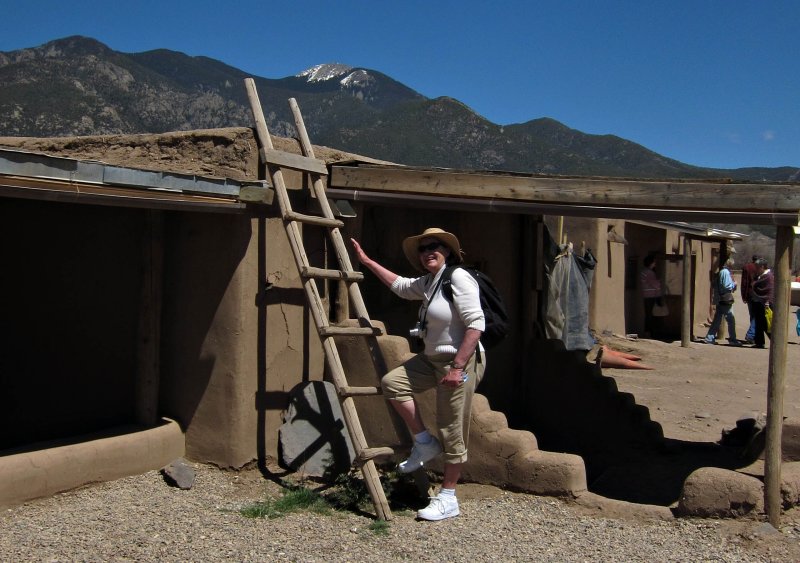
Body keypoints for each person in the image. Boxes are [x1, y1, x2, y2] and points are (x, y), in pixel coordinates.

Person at [350, 227, 485, 521]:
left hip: (458, 361)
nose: (427, 253)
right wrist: (367, 262)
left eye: (434, 246)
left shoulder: (458, 277)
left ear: (447, 250)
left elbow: (476, 324)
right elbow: (400, 286)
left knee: (451, 427)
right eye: (423, 249)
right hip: (431, 359)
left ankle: (448, 498)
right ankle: (424, 442)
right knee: (393, 383)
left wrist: (458, 367)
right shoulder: (429, 282)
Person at [704, 258, 741, 345]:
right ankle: (732, 339)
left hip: (720, 299)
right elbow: (726, 286)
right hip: (725, 298)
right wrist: (734, 284)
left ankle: (709, 337)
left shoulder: (722, 272)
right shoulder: (725, 272)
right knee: (731, 319)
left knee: (717, 319)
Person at [750, 258, 774, 349]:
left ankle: (775, 341)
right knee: (758, 323)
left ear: (762, 267)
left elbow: (770, 291)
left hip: (766, 303)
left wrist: (768, 301)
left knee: (767, 323)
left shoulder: (769, 276)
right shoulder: (759, 276)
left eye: (757, 267)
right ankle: (759, 342)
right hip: (757, 302)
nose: (755, 269)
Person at [640, 254, 663, 338]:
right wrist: (660, 282)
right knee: (651, 315)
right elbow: (655, 285)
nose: (655, 264)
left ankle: (648, 331)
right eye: (654, 262)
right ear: (651, 263)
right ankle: (649, 332)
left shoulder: (643, 271)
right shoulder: (649, 273)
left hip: (646, 295)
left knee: (648, 314)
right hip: (651, 296)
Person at [740, 255, 760, 344]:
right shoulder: (759, 268)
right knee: (756, 316)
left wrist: (743, 296)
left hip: (749, 294)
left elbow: (744, 283)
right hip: (757, 294)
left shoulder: (746, 267)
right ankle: (750, 335)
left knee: (753, 315)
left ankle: (754, 336)